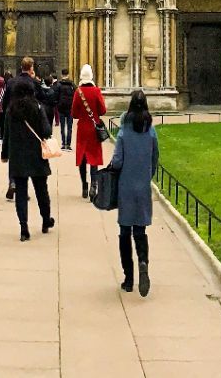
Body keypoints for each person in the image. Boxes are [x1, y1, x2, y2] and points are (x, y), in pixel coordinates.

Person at [106, 89, 159, 297]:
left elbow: (118, 159)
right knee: (140, 231)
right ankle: (143, 262)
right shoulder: (151, 131)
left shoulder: (124, 131)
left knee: (124, 232)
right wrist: (147, 175)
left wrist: (112, 169)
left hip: (126, 186)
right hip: (142, 186)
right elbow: (155, 157)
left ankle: (128, 279)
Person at [2, 77, 55, 241]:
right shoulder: (38, 107)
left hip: (18, 156)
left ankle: (24, 228)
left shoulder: (11, 110)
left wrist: (5, 154)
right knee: (41, 190)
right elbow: (46, 131)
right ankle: (46, 220)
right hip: (36, 155)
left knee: (21, 193)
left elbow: (7, 134)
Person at [72, 63, 108, 199]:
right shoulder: (96, 91)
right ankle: (94, 185)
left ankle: (84, 187)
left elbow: (74, 113)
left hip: (82, 129)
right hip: (94, 129)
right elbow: (103, 110)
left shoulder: (78, 92)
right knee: (93, 158)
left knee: (82, 157)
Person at [54, 72, 76, 148]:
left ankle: (63, 144)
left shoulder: (59, 85)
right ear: (68, 75)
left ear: (61, 75)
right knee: (69, 127)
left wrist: (57, 104)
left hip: (61, 109)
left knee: (62, 127)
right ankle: (68, 144)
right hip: (70, 108)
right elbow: (76, 94)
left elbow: (56, 96)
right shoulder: (72, 84)